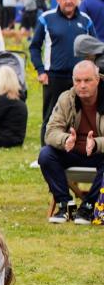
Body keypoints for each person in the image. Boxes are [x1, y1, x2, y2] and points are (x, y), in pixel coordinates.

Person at [39, 60, 104, 224]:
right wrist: (65, 139)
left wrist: (96, 144)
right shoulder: (66, 98)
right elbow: (51, 130)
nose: (82, 85)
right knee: (46, 154)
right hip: (73, 151)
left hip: (99, 153)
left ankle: (89, 206)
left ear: (97, 79)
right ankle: (65, 205)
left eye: (87, 80)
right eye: (78, 81)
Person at [30, 0, 95, 145]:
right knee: (51, 116)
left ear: (77, 0)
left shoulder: (85, 20)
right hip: (54, 77)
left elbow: (94, 49)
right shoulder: (46, 18)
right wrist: (40, 71)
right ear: (58, 0)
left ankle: (78, 149)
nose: (68, 1)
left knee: (83, 115)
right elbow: (34, 47)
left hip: (80, 79)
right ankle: (45, 153)